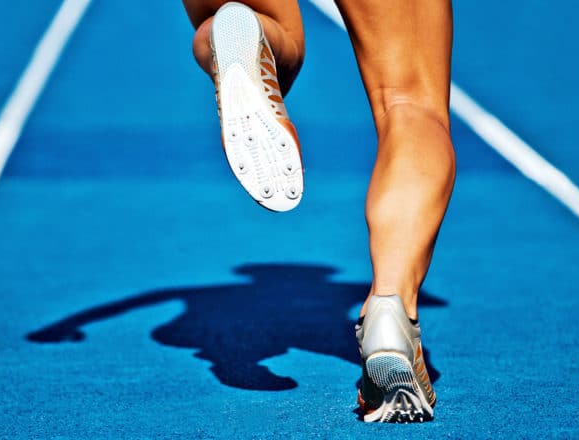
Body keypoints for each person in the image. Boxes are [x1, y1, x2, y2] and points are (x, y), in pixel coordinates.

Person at [182, 0, 455, 423]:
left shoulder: (201, 295)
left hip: (174, 329)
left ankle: (250, 32)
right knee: (409, 101)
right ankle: (391, 309)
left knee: (269, 35)